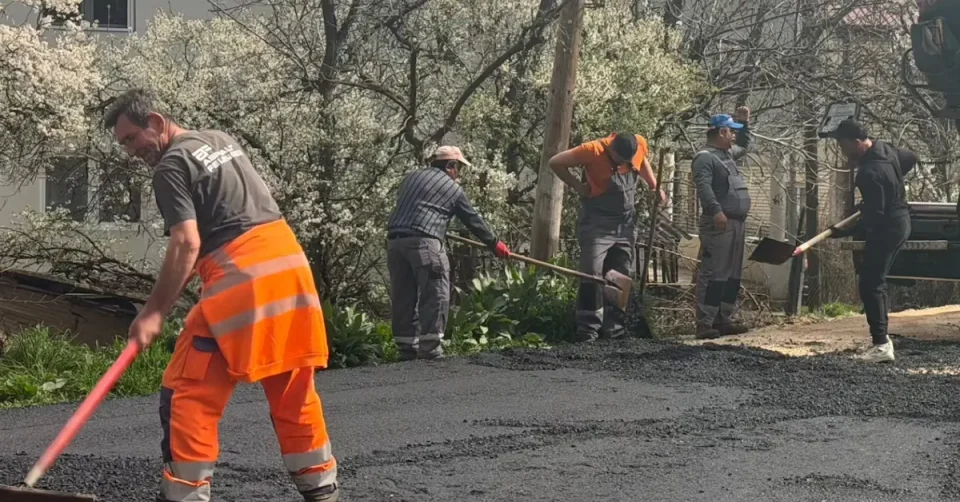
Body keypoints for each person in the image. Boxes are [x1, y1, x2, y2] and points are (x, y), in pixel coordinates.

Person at [104, 89, 340, 502]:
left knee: (187, 390)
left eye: (131, 139)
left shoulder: (171, 165)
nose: (130, 151)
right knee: (292, 389)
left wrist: (153, 312)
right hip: (290, 269)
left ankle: (185, 493)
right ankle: (321, 490)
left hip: (242, 280)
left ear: (156, 122)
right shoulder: (219, 139)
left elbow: (186, 243)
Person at [386, 146, 511, 361]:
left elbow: (417, 207)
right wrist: (495, 244)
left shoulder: (411, 177)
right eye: (458, 168)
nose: (459, 173)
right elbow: (473, 221)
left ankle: (405, 349)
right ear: (450, 166)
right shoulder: (453, 189)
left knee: (403, 296)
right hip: (425, 244)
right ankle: (431, 348)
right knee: (435, 293)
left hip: (395, 242)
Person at [547, 133, 667, 342]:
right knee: (591, 272)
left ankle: (615, 329)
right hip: (597, 222)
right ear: (611, 149)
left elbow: (643, 160)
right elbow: (555, 162)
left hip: (625, 223)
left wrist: (653, 185)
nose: (623, 166)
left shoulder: (638, 144)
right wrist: (578, 186)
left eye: (626, 162)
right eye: (619, 161)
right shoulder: (592, 150)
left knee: (620, 273)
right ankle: (588, 329)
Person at [827, 119, 917, 363]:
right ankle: (882, 340)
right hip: (902, 219)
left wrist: (841, 231)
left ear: (857, 143)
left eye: (843, 145)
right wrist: (892, 185)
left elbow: (874, 217)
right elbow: (910, 156)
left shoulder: (868, 173)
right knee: (877, 281)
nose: (842, 151)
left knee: (870, 283)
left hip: (888, 227)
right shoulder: (885, 149)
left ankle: (881, 345)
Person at [692, 107, 753, 340]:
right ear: (722, 132)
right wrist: (716, 210)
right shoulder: (705, 158)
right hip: (719, 224)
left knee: (731, 275)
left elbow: (745, 146)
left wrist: (745, 123)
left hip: (736, 224)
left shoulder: (727, 155)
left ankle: (724, 318)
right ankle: (705, 322)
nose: (734, 137)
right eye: (732, 132)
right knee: (714, 272)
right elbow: (704, 187)